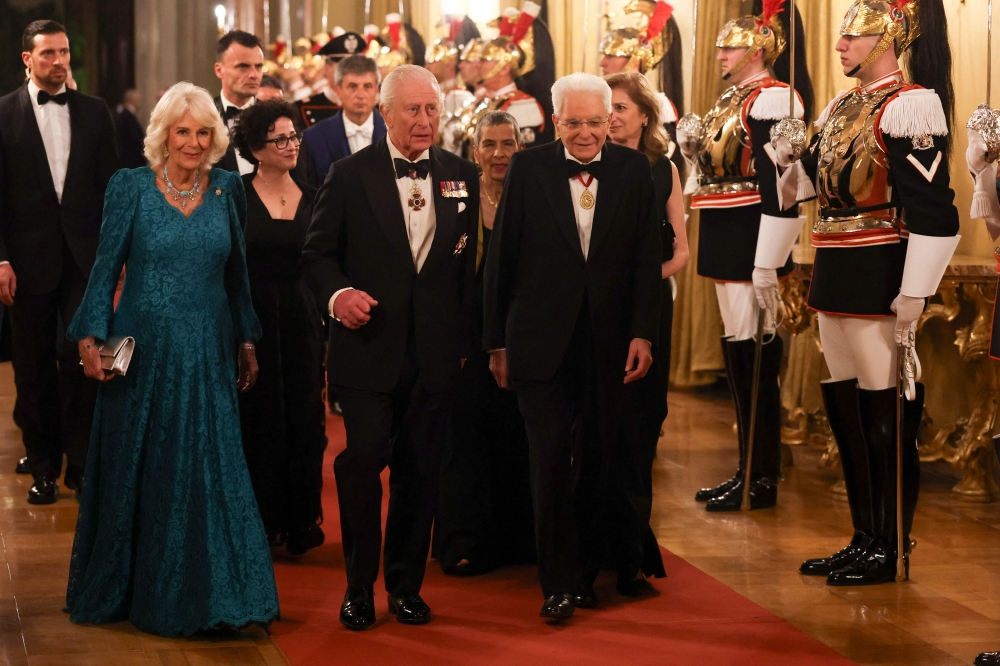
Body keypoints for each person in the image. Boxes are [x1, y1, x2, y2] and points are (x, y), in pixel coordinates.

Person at [64, 81, 279, 636]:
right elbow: (105, 267)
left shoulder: (228, 189)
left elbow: (238, 277)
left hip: (208, 353)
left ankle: (220, 593)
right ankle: (139, 589)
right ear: (163, 134)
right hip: (144, 354)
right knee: (147, 468)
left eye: (203, 131)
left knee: (211, 470)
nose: (192, 141)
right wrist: (91, 336)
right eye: (182, 130)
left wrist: (247, 338)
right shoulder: (130, 187)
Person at [770, 0, 959, 586]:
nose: (839, 45)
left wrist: (915, 289)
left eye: (852, 37)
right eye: (843, 35)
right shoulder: (840, 106)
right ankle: (863, 534)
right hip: (833, 260)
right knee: (844, 401)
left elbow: (935, 211)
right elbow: (812, 190)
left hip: (881, 263)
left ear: (886, 40)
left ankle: (891, 539)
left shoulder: (910, 106)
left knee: (883, 404)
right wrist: (784, 162)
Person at [302, 65, 478, 631]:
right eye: (412, 110)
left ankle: (405, 587)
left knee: (420, 471)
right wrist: (338, 295)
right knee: (363, 463)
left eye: (432, 110)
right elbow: (315, 256)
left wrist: (468, 344)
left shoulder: (462, 175)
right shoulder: (349, 175)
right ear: (385, 113)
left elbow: (463, 272)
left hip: (433, 355)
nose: (425, 120)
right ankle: (358, 587)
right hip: (367, 349)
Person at [483, 73, 660, 621]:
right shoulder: (530, 168)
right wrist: (496, 343)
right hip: (538, 342)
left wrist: (642, 331)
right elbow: (501, 260)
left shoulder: (634, 171)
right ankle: (555, 582)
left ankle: (584, 571)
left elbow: (644, 261)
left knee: (599, 461)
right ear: (555, 122)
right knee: (550, 462)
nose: (584, 133)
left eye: (594, 122)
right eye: (573, 122)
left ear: (611, 120)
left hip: (609, 345)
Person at [675, 0, 810, 512]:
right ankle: (747, 467)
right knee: (737, 348)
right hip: (724, 225)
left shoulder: (774, 98)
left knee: (754, 354)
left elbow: (781, 184)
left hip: (752, 227)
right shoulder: (729, 100)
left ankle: (762, 474)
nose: (719, 54)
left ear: (757, 48)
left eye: (728, 46)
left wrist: (769, 258)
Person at [0, 20, 119, 503]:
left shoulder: (95, 111)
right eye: (48, 53)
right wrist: (0, 258)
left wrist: (117, 257)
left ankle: (82, 465)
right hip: (24, 261)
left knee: (83, 361)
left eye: (64, 52)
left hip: (84, 258)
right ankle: (43, 467)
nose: (59, 62)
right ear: (27, 58)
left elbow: (113, 188)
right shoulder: (3, 113)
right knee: (31, 369)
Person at [434, 110, 535, 576]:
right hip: (465, 338)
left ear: (520, 148)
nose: (499, 154)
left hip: (521, 336)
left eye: (508, 144)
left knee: (516, 437)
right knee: (464, 439)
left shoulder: (533, 198)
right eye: (490, 144)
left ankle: (518, 539)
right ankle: (464, 539)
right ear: (474, 151)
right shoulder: (458, 201)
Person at [229, 100, 327, 557]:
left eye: (294, 137)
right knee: (260, 420)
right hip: (254, 318)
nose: (290, 146)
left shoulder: (316, 193)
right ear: (255, 148)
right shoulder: (233, 193)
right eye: (280, 139)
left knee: (306, 417)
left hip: (304, 317)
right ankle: (263, 520)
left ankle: (303, 518)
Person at [605, 70, 688, 589]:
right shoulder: (589, 164)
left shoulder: (664, 169)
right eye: (605, 107)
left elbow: (681, 250)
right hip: (598, 312)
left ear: (643, 115)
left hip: (649, 310)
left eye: (619, 107)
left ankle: (634, 554)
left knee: (640, 429)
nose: (611, 116)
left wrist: (640, 281)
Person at [599, 1, 681, 172]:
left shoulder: (660, 103)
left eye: (611, 55)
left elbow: (661, 159)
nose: (603, 62)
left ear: (635, 57)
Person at [302, 55, 385, 184]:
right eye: (353, 86)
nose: (361, 95)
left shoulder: (396, 132)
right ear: (338, 90)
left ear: (376, 90)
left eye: (367, 86)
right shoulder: (313, 138)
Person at [213, 30, 264, 175]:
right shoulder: (202, 117)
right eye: (243, 66)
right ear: (219, 70)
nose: (254, 74)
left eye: (258, 66)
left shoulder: (275, 119)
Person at [297, 32, 365, 128]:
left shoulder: (371, 108)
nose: (351, 73)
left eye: (356, 67)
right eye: (344, 68)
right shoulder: (304, 108)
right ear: (327, 69)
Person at [115, 88, 146, 169]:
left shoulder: (122, 116)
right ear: (136, 101)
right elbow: (136, 140)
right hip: (131, 164)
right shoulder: (129, 117)